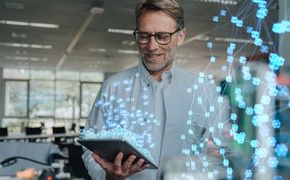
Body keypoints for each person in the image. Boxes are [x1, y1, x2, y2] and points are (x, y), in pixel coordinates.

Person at [82, 0, 229, 179]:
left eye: (162, 36)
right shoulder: (113, 88)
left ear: (181, 36)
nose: (152, 46)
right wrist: (107, 176)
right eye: (144, 36)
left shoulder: (203, 90)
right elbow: (90, 149)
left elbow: (226, 152)